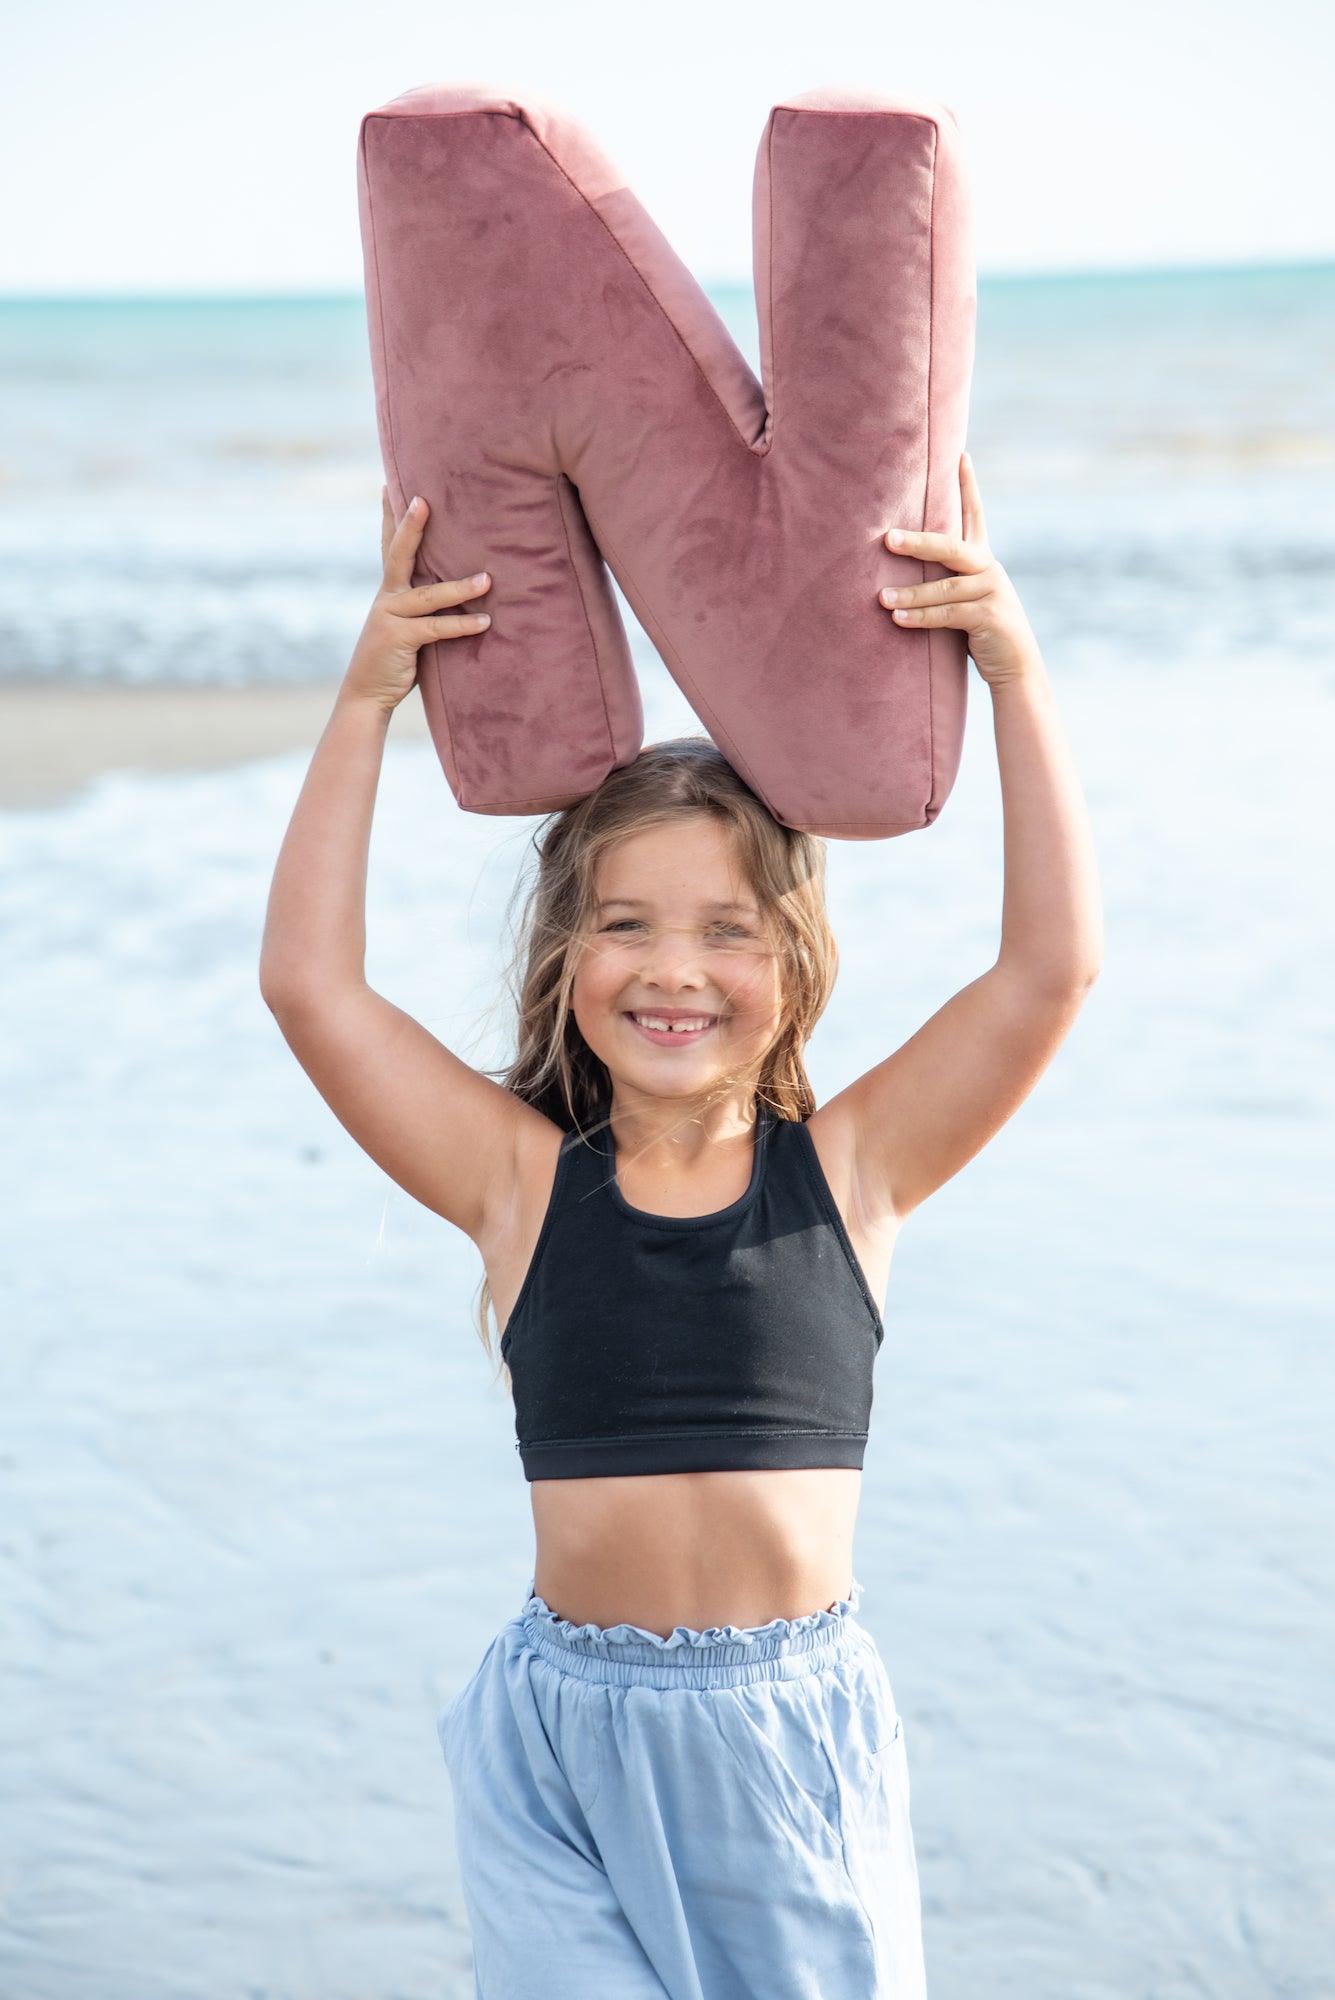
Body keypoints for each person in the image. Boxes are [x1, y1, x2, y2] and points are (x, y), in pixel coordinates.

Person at [258, 452, 1103, 1997]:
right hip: (557, 1747)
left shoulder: (850, 1175)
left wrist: (1016, 671)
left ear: (794, 961)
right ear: (568, 949)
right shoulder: (520, 1188)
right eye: (628, 924)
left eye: (728, 931)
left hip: (790, 1741)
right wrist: (369, 695)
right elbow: (311, 987)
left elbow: (1049, 971)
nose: (675, 972)